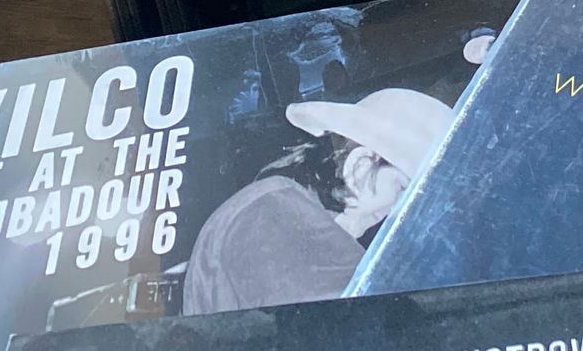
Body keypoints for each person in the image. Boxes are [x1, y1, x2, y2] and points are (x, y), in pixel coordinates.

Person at [182, 87, 454, 314]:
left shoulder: (287, 209)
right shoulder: (273, 209)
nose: (401, 211)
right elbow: (349, 323)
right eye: (403, 188)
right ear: (359, 166)